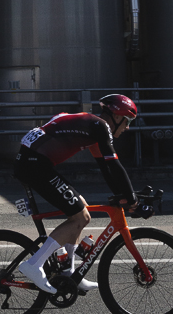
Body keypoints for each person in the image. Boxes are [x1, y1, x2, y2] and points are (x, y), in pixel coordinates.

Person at [14, 93, 148, 296]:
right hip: (35, 165)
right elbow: (115, 165)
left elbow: (106, 169)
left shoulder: (93, 129)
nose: (127, 127)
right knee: (80, 216)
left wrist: (123, 196)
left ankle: (69, 273)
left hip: (33, 163)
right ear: (118, 117)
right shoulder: (100, 127)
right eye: (127, 121)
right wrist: (132, 199)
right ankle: (34, 264)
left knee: (81, 209)